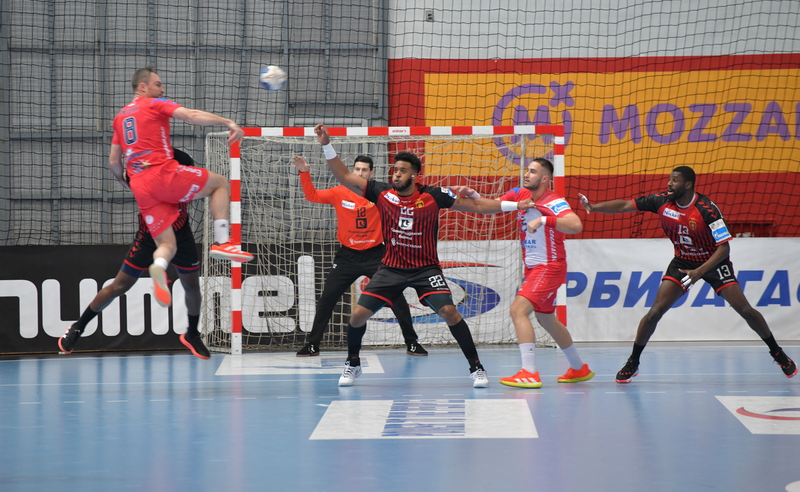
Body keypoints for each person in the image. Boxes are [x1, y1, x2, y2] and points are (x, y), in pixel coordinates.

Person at [314, 123, 536, 388]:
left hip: (425, 270)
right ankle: (353, 363)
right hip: (391, 268)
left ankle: (476, 367)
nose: (396, 174)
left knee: (450, 312)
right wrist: (327, 145)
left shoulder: (433, 196)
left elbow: (477, 205)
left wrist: (516, 205)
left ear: (415, 175)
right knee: (357, 316)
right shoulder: (381, 193)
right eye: (395, 170)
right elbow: (344, 177)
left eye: (402, 171)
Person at [579, 166, 797, 382]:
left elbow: (724, 248)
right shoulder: (661, 201)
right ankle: (633, 361)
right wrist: (593, 207)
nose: (669, 183)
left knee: (745, 310)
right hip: (683, 262)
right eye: (669, 179)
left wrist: (699, 272)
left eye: (674, 180)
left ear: (688, 184)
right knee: (655, 312)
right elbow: (626, 205)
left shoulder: (707, 210)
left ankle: (777, 353)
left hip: (713, 262)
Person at [109, 67, 254, 309]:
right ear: (142, 87)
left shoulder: (120, 118)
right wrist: (228, 122)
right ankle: (222, 241)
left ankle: (159, 266)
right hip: (162, 173)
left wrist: (125, 181)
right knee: (219, 183)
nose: (162, 89)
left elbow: (114, 162)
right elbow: (191, 115)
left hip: (141, 187)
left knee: (167, 245)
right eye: (157, 84)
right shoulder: (154, 104)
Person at [58, 149, 211, 359]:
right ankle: (78, 327)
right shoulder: (144, 180)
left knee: (192, 287)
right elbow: (121, 173)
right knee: (119, 286)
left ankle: (192, 334)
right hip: (149, 238)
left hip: (181, 236)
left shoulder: (184, 177)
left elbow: (196, 174)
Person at [458, 158, 594, 388]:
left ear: (545, 179)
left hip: (549, 267)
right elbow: (494, 206)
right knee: (546, 318)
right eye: (527, 170)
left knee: (517, 310)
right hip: (533, 268)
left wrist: (543, 219)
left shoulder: (554, 201)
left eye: (532, 171)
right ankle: (578, 368)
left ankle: (529, 372)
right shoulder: (519, 194)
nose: (526, 174)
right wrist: (474, 195)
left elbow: (575, 224)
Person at [291, 155, 428, 357]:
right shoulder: (339, 192)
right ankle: (313, 345)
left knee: (396, 297)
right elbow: (312, 196)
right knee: (327, 298)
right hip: (347, 257)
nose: (360, 173)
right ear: (352, 171)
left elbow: (408, 198)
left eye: (364, 170)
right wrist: (304, 172)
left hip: (376, 255)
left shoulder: (382, 194)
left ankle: (412, 343)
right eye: (357, 169)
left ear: (371, 173)